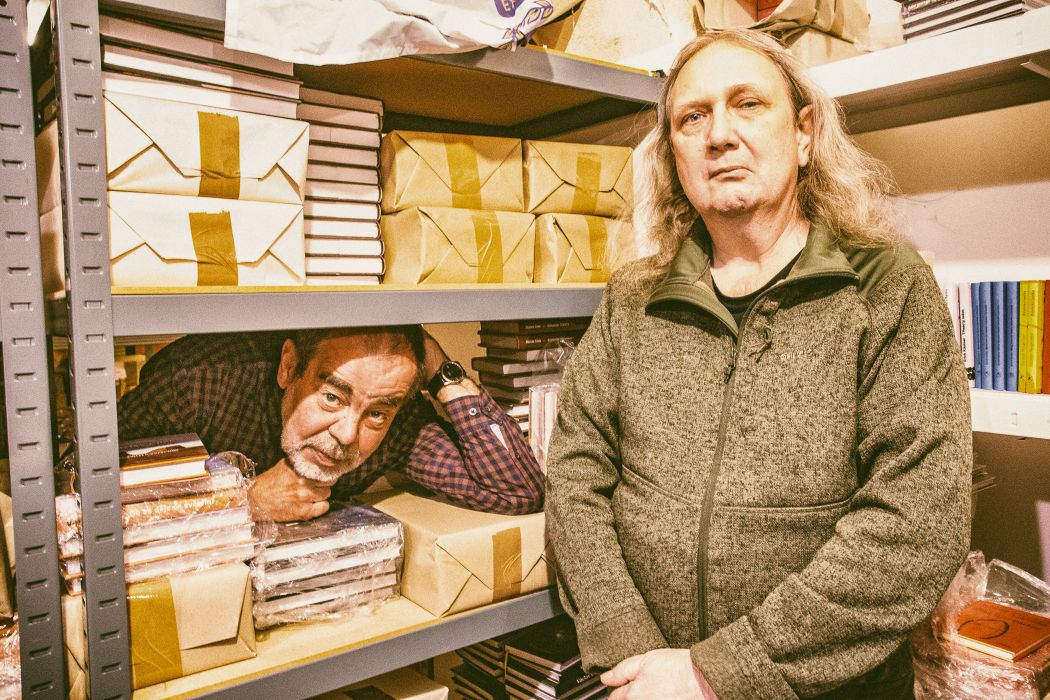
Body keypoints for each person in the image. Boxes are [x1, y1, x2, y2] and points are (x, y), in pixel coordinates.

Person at [545, 28, 972, 699]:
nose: (719, 135)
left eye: (748, 104)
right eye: (693, 117)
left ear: (803, 134)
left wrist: (716, 674)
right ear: (674, 155)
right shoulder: (633, 297)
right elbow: (577, 470)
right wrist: (632, 651)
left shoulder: (888, 287)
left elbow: (915, 524)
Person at [117, 326, 543, 521]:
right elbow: (90, 507)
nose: (346, 435)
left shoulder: (395, 424)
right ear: (288, 367)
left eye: (376, 413)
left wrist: (442, 373)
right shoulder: (200, 380)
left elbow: (517, 491)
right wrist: (244, 501)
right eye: (332, 398)